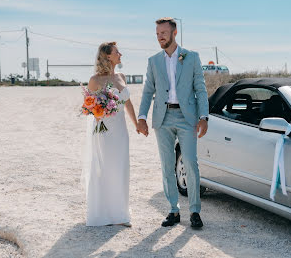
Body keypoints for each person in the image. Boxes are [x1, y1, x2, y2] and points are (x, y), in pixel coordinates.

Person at [137, 17, 209, 229]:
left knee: (190, 163)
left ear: (174, 33)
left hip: (187, 118)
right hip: (163, 118)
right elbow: (148, 90)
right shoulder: (153, 61)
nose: (160, 36)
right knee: (167, 165)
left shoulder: (192, 57)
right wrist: (142, 116)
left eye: (163, 33)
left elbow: (201, 89)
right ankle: (173, 210)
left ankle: (194, 211)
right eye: (157, 33)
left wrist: (203, 117)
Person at [83, 42, 138, 227]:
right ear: (107, 56)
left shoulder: (121, 76)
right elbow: (89, 107)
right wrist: (101, 110)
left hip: (121, 130)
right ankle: (103, 213)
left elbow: (128, 103)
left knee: (121, 167)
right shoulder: (95, 80)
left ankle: (120, 213)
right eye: (116, 52)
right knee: (105, 169)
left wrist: (137, 123)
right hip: (104, 130)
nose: (120, 54)